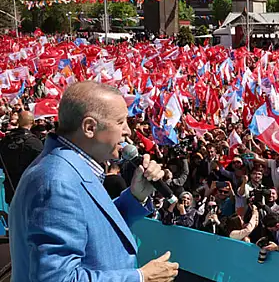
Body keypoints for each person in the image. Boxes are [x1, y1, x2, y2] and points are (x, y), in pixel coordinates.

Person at [9, 81, 179, 281]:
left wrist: (135, 197)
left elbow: (93, 226)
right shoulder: (57, 182)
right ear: (89, 127)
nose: (128, 132)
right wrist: (139, 278)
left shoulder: (66, 167)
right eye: (120, 122)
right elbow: (57, 279)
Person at [0, 110, 43, 205]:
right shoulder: (35, 143)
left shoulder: (6, 140)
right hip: (28, 190)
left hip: (10, 187)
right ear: (32, 122)